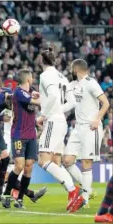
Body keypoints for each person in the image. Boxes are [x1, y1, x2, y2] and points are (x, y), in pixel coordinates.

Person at [63, 59, 110, 212]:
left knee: (86, 163)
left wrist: (97, 119)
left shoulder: (91, 83)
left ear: (76, 69)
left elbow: (106, 103)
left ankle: (84, 198)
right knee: (67, 160)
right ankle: (87, 189)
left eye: (71, 68)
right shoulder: (72, 85)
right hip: (77, 128)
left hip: (91, 127)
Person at [36, 48, 79, 212]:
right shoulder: (62, 76)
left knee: (43, 160)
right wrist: (58, 110)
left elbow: (53, 96)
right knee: (55, 162)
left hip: (53, 121)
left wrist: (44, 115)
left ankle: (73, 191)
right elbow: (72, 102)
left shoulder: (45, 75)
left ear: (41, 61)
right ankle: (73, 194)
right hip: (61, 121)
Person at [2, 69, 46, 209]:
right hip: (19, 134)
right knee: (19, 166)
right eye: (32, 78)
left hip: (31, 135)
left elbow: (35, 96)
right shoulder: (18, 92)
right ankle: (7, 194)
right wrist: (43, 98)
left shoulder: (30, 91)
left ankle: (20, 199)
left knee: (28, 167)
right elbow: (37, 101)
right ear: (28, 79)